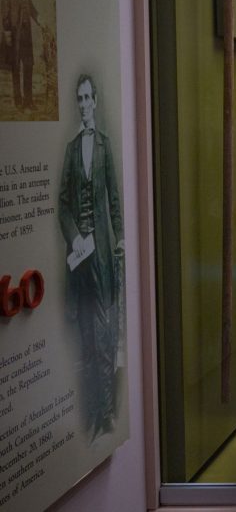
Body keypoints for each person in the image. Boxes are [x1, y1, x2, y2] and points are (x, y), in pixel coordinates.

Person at [59, 74, 125, 442]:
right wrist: (74, 237)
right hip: (79, 258)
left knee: (105, 330)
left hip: (101, 252)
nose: (84, 104)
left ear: (96, 102)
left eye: (88, 98)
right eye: (79, 99)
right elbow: (62, 205)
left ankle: (107, 413)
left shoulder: (103, 145)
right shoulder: (71, 149)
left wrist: (121, 240)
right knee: (85, 331)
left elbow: (114, 199)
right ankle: (91, 415)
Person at [1, 0, 42, 109]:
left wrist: (39, 18)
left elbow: (30, 6)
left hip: (26, 32)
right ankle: (18, 102)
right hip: (13, 29)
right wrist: (6, 30)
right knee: (15, 66)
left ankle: (29, 101)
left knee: (29, 64)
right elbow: (4, 5)